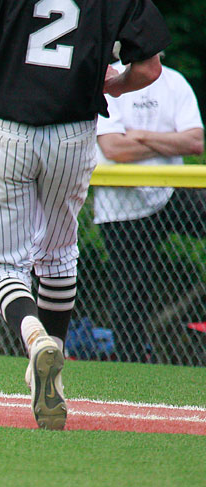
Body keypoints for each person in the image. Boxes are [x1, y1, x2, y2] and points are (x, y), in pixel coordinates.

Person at [0, 0, 170, 429]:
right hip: (73, 131)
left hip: (6, 127)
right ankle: (54, 361)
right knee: (58, 253)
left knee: (3, 266)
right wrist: (115, 84)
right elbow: (149, 69)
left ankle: (33, 335)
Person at [93, 55, 204, 363]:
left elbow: (195, 142)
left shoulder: (174, 82)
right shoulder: (107, 83)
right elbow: (114, 148)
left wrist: (140, 136)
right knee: (131, 288)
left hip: (170, 191)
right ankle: (131, 360)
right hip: (122, 204)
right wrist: (170, 141)